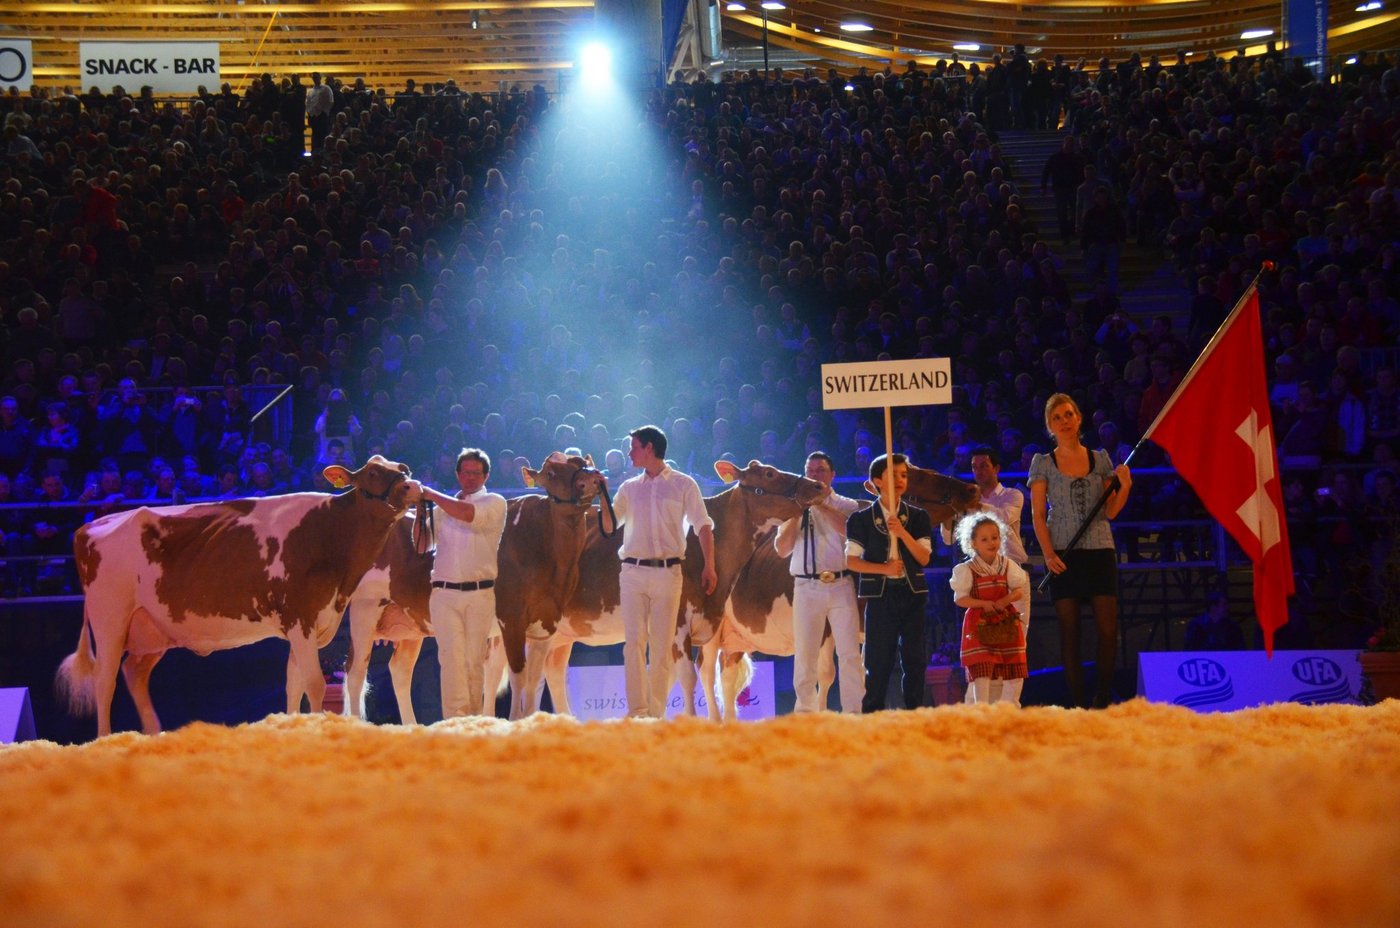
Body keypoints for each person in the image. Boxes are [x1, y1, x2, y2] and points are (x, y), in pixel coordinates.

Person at [597, 425, 715, 719]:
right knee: (633, 642)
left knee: (661, 646)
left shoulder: (684, 484)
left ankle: (655, 713)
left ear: (649, 448)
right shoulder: (628, 487)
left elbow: (703, 526)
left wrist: (710, 565)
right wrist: (602, 493)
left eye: (634, 447)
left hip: (668, 571)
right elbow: (610, 526)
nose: (630, 452)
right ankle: (638, 711)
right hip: (633, 571)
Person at [1030, 393, 1132, 709]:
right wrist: (1048, 555)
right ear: (1050, 425)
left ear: (1078, 418)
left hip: (1100, 548)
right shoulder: (1043, 462)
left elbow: (1111, 511)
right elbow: (1036, 515)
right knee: (1069, 631)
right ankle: (1076, 703)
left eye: (1068, 414)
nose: (1064, 420)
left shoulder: (1099, 458)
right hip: (1063, 552)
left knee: (1107, 628)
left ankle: (1102, 695)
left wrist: (1125, 486)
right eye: (1057, 417)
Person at [418, 448, 506, 719]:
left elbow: (468, 514)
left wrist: (431, 495)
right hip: (443, 592)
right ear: (457, 474)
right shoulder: (443, 507)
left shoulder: (494, 501)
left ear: (486, 475)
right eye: (465, 472)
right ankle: (454, 721)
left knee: (472, 661)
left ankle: (474, 718)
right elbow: (422, 545)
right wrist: (422, 511)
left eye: (475, 473)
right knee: (450, 661)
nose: (470, 478)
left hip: (479, 592)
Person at [773, 451, 863, 713]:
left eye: (821, 470)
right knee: (805, 653)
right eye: (810, 471)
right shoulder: (794, 509)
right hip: (806, 586)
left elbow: (850, 531)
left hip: (841, 584)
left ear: (832, 475)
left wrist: (821, 504)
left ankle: (853, 711)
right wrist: (797, 513)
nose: (814, 475)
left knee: (849, 653)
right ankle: (805, 710)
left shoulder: (846, 504)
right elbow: (781, 548)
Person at [941, 445, 1029, 704]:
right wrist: (950, 514)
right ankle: (979, 708)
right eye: (974, 467)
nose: (978, 471)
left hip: (1009, 570)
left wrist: (975, 504)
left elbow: (1003, 517)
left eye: (983, 465)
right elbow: (948, 538)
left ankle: (1009, 707)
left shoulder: (1012, 495)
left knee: (1014, 644)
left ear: (996, 468)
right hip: (978, 575)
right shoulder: (967, 502)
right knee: (983, 653)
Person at [846, 453, 933, 712]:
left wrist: (902, 532)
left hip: (912, 593)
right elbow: (851, 561)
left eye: (904, 475)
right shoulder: (860, 519)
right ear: (876, 481)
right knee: (878, 658)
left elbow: (924, 557)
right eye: (893, 475)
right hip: (880, 595)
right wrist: (882, 568)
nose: (900, 480)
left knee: (915, 658)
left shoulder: (918, 517)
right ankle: (873, 713)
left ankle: (915, 711)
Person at [951, 513, 1030, 704]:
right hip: (979, 623)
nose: (991, 543)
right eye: (984, 539)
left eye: (994, 537)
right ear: (973, 543)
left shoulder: (1006, 564)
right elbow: (960, 599)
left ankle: (1009, 707)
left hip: (1005, 620)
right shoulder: (967, 569)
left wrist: (1007, 599)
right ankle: (981, 707)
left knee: (1011, 666)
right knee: (983, 667)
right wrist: (983, 604)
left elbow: (1019, 590)